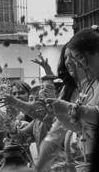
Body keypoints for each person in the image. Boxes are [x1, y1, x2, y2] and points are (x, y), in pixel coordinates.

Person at [43, 28, 99, 172]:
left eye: (80, 57)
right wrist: (58, 111)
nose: (79, 64)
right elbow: (79, 127)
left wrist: (69, 108)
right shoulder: (86, 88)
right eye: (70, 58)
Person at [36, 43, 87, 172]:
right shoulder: (68, 90)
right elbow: (54, 135)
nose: (69, 61)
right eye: (65, 57)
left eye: (74, 56)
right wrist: (38, 168)